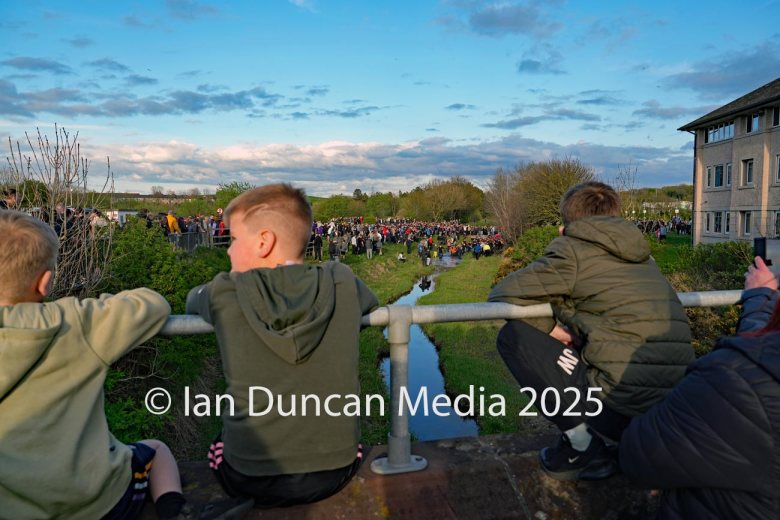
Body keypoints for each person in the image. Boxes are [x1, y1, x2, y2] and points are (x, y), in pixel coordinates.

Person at [0, 210, 251, 520]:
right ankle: (173, 511)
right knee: (155, 449)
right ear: (46, 282)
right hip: (99, 503)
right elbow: (152, 305)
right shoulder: (72, 323)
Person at [186, 184, 379, 508]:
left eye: (233, 239)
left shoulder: (225, 291)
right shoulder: (341, 280)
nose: (229, 250)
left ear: (264, 241)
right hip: (336, 470)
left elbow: (193, 299)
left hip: (247, 475)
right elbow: (369, 300)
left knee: (218, 446)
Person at [488, 181, 693, 481]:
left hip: (618, 410)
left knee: (513, 337)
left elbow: (502, 294)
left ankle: (582, 447)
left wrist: (555, 330)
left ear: (568, 222)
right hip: (669, 413)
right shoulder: (643, 257)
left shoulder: (573, 250)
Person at [619, 256, 780, 518]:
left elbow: (639, 455)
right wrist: (761, 301)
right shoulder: (750, 374)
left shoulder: (733, 379)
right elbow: (763, 358)